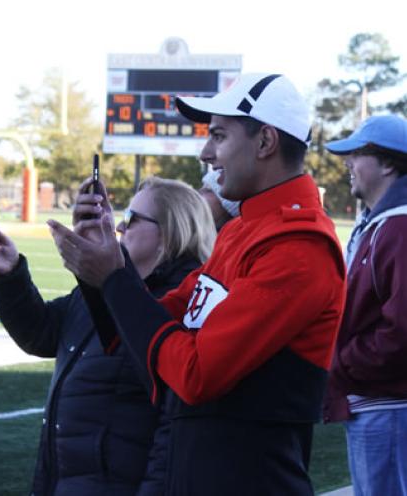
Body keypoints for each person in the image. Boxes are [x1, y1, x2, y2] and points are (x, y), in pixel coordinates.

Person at [60, 72, 347, 495]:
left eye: (218, 136)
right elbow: (148, 324)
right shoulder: (242, 230)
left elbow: (196, 375)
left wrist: (114, 276)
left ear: (265, 142)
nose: (206, 152)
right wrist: (103, 257)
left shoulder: (299, 246)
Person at [0, 176, 216, 496]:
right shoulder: (105, 285)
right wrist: (9, 275)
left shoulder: (184, 306)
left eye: (130, 219)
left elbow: (173, 433)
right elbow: (43, 332)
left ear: (170, 231)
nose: (118, 228)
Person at [323, 115, 407, 496]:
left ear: (389, 164)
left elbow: (401, 333)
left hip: (389, 410)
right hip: (376, 406)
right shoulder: (383, 224)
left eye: (357, 154)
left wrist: (341, 362)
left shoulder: (399, 228)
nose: (348, 165)